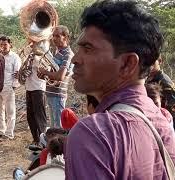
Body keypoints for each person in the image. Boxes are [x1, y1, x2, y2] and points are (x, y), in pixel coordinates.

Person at [65, 0, 175, 179]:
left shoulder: (93, 134)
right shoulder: (163, 121)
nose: (75, 59)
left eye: (87, 48)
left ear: (127, 64)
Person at [38, 25, 74, 128]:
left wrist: (45, 72)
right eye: (53, 36)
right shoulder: (57, 53)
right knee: (54, 128)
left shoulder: (68, 54)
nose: (54, 39)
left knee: (58, 129)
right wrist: (42, 75)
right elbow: (52, 75)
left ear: (65, 37)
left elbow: (60, 76)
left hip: (58, 95)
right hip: (51, 93)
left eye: (57, 36)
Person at [0, 36, 21, 140]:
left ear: (10, 45)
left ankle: (9, 134)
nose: (3, 47)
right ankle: (0, 130)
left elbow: (17, 74)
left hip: (9, 87)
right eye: (1, 44)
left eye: (5, 44)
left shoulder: (15, 57)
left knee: (10, 111)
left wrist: (14, 86)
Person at [25, 46, 48, 148]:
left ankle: (43, 141)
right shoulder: (29, 55)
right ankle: (35, 139)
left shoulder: (42, 56)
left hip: (38, 88)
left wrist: (34, 59)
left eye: (33, 43)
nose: (30, 45)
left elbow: (46, 69)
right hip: (29, 87)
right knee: (30, 116)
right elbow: (24, 70)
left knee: (40, 116)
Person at [147, 56, 175, 121]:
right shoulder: (147, 78)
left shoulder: (165, 83)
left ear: (160, 61)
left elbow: (172, 110)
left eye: (153, 61)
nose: (149, 64)